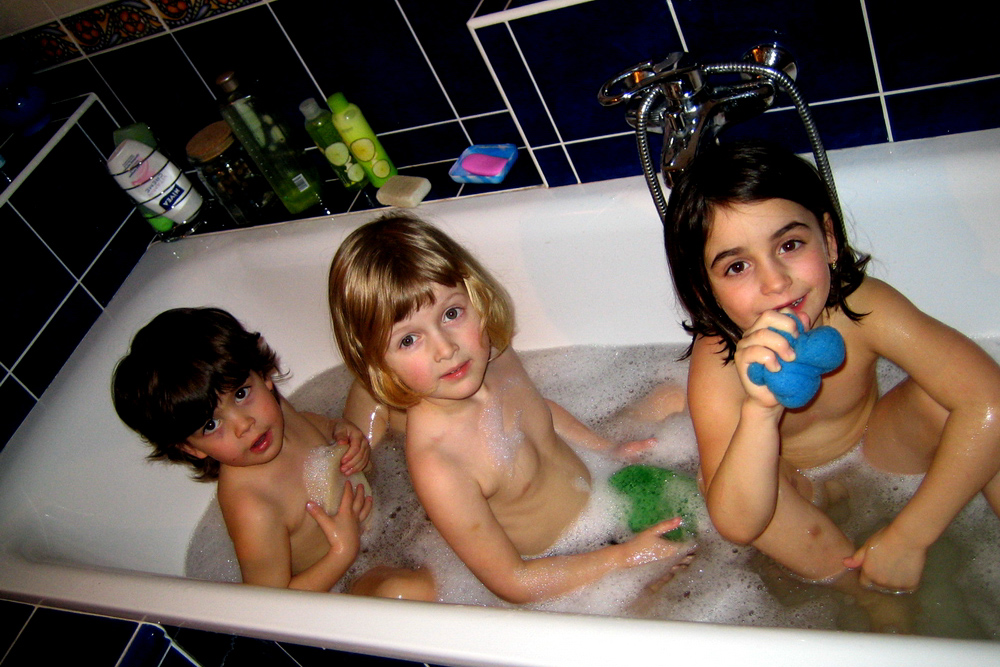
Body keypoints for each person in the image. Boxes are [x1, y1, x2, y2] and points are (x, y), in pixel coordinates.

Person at [663, 140, 1000, 594]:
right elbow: (738, 524)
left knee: (961, 403)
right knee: (723, 484)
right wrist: (760, 411)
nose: (775, 281)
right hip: (791, 486)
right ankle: (860, 593)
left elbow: (990, 399)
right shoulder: (718, 363)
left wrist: (910, 536)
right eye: (737, 266)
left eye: (789, 244)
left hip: (878, 448)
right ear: (706, 291)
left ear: (829, 240)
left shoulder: (863, 307)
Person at [329, 214, 691, 604]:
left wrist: (607, 448)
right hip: (556, 566)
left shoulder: (494, 356)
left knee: (676, 394)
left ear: (475, 296)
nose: (446, 348)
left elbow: (540, 412)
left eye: (451, 314)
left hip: (601, 500)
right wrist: (624, 558)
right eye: (408, 340)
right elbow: (514, 583)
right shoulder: (440, 463)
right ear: (378, 366)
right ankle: (372, 585)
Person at [112, 307, 435, 600]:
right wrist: (342, 550)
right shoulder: (252, 505)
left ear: (263, 376)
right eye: (211, 425)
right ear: (190, 447)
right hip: (352, 571)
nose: (244, 424)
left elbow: (311, 423)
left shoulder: (274, 412)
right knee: (403, 592)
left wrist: (341, 431)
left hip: (383, 504)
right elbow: (269, 602)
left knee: (376, 389)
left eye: (241, 393)